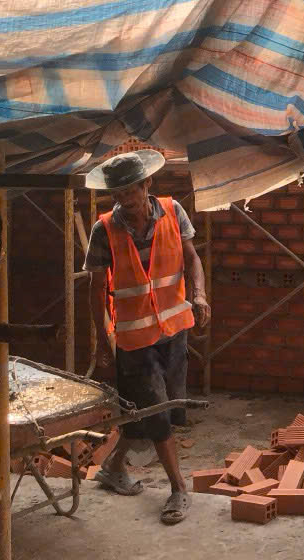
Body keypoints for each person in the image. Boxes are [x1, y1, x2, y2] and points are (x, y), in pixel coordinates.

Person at [83, 149, 209, 525]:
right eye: (118, 193)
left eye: (131, 191)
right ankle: (178, 489)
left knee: (156, 407)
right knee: (157, 412)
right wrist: (102, 342)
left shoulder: (173, 211)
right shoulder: (104, 229)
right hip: (134, 339)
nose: (125, 199)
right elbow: (95, 290)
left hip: (174, 330)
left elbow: (192, 258)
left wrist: (200, 294)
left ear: (147, 184)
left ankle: (113, 467)